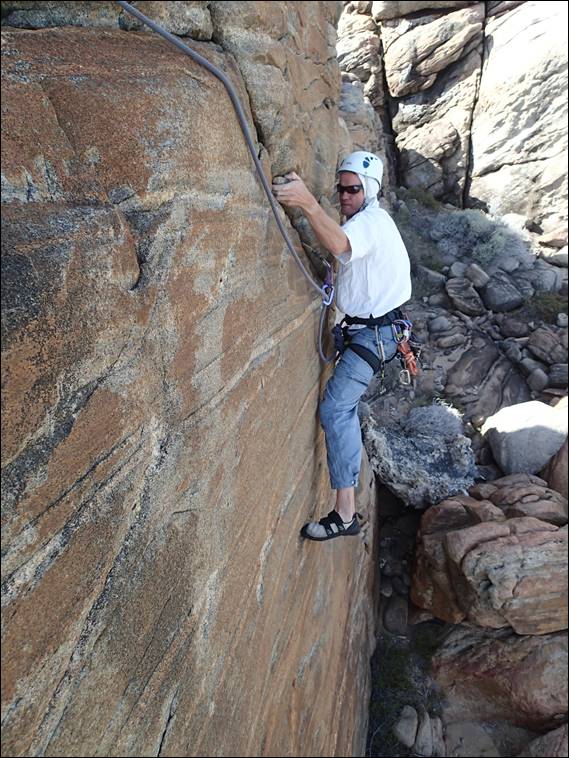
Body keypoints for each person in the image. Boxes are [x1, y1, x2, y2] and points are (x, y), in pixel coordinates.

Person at [271, 151, 412, 542]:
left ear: (369, 191)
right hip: (369, 331)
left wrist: (307, 203)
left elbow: (340, 243)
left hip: (374, 335)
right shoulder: (368, 221)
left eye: (352, 189)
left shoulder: (370, 222)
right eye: (341, 188)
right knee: (341, 408)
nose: (344, 196)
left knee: (336, 407)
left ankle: (345, 514)